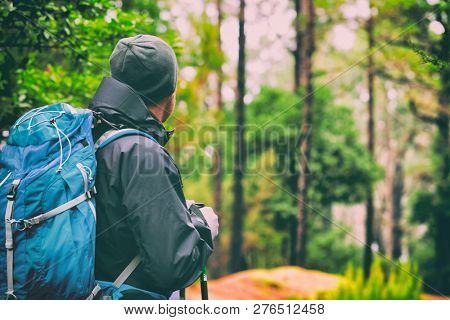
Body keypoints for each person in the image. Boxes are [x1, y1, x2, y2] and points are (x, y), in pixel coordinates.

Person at [89, 34, 219, 299]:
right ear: (169, 92)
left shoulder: (91, 134)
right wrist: (204, 225)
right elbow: (173, 267)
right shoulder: (142, 153)